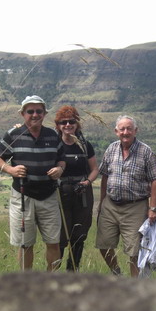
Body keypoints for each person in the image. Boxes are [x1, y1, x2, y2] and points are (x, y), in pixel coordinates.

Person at [0, 95, 66, 271]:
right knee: (25, 244)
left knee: (53, 242)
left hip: (49, 196)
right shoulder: (14, 135)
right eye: (30, 111)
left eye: (39, 111)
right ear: (22, 114)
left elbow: (61, 160)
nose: (34, 114)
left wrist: (60, 169)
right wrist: (11, 170)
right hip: (23, 197)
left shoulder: (53, 135)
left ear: (45, 113)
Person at [95, 115, 156, 277]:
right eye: (122, 129)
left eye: (129, 128)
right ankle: (117, 274)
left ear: (135, 131)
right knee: (104, 244)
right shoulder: (111, 149)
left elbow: (155, 180)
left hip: (135, 207)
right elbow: (104, 176)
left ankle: (134, 286)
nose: (126, 132)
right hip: (110, 205)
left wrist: (153, 207)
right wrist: (102, 202)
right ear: (116, 131)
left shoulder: (146, 152)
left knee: (134, 251)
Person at [53, 105, 99, 272]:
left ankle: (73, 270)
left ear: (77, 123)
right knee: (61, 236)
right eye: (63, 122)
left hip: (82, 194)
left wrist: (87, 182)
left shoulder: (85, 145)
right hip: (61, 193)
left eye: (71, 121)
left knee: (79, 235)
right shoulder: (55, 145)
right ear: (58, 125)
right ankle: (55, 273)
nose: (67, 125)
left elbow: (94, 169)